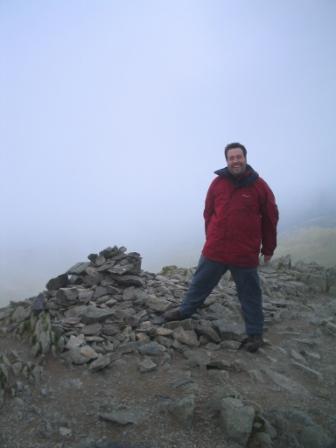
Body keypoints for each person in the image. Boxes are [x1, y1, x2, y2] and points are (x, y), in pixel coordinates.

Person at [164, 142, 279, 352]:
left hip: (244, 252)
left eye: (238, 157)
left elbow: (270, 219)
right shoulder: (217, 183)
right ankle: (185, 311)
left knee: (250, 294)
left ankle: (255, 334)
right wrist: (212, 237)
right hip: (216, 248)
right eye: (231, 158)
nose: (235, 161)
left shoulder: (260, 187)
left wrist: (268, 248)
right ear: (227, 161)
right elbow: (208, 212)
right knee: (199, 283)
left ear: (245, 158)